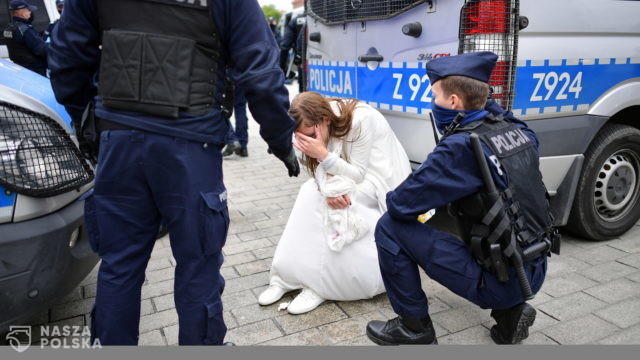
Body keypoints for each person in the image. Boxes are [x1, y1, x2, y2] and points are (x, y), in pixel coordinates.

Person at [48, 0, 300, 346]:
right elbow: (259, 72)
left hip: (120, 141)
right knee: (199, 266)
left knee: (119, 265)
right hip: (190, 147)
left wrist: (91, 122)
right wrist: (280, 139)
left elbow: (66, 58)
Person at [365, 52, 558, 345]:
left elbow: (400, 204)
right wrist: (477, 99)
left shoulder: (461, 147)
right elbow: (493, 112)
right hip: (532, 268)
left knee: (389, 226)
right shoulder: (518, 130)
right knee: (481, 216)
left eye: (435, 95)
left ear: (454, 101)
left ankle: (413, 328)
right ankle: (510, 315)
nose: (432, 102)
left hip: (501, 279)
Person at [259, 91, 411, 315]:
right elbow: (315, 171)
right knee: (309, 191)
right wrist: (327, 183)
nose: (306, 139)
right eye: (302, 136)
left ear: (325, 121)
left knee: (331, 199)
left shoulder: (361, 120)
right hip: (339, 173)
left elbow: (358, 174)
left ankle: (321, 285)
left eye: (310, 134)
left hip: (378, 179)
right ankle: (287, 276)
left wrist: (323, 156)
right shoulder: (308, 127)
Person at [2, 0, 48, 76]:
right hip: (35, 71)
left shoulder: (8, 28)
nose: (30, 12)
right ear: (21, 12)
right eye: (28, 10)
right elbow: (42, 50)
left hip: (20, 70)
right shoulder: (25, 30)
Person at [280, 11, 305, 92]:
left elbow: (285, 46)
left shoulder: (295, 20)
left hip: (303, 61)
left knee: (304, 94)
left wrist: (282, 68)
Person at [222, 85, 249, 157]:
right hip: (241, 79)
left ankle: (232, 139)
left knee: (222, 110)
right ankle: (243, 147)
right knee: (240, 109)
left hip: (227, 80)